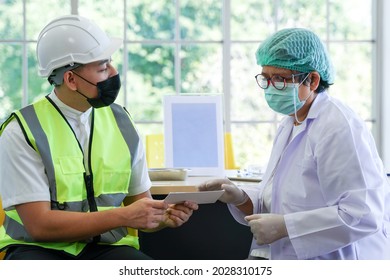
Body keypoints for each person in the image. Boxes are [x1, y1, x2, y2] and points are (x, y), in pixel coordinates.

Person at [0, 15, 198, 260]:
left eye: (110, 64)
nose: (114, 73)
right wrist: (123, 216)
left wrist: (162, 218)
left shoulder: (123, 123)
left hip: (106, 249)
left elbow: (140, 207)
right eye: (103, 68)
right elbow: (40, 226)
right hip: (37, 250)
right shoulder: (23, 130)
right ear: (71, 79)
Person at [198, 27, 390, 260]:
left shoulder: (338, 126)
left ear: (312, 80)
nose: (270, 88)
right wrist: (240, 197)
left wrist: (286, 227)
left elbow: (363, 215)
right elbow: (279, 204)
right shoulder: (292, 122)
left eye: (279, 79)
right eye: (265, 78)